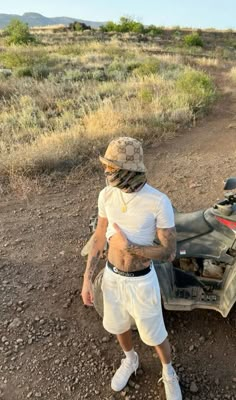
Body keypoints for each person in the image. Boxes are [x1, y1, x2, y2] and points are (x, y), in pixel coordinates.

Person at [81, 137, 182, 400]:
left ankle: (168, 370)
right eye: (107, 166)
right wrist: (87, 278)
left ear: (129, 169)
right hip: (113, 279)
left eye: (112, 168)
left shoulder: (158, 201)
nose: (107, 172)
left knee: (156, 333)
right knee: (118, 325)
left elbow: (169, 252)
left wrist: (129, 247)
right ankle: (130, 359)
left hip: (141, 281)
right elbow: (100, 235)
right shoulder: (106, 195)